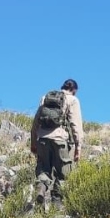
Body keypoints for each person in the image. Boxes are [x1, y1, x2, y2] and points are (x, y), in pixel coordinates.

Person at [30, 79, 84, 209]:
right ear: (74, 90)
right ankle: (57, 203)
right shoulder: (72, 100)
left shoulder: (45, 98)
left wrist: (33, 142)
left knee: (43, 169)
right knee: (64, 174)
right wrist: (78, 147)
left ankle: (41, 190)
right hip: (60, 140)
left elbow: (36, 121)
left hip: (42, 139)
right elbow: (76, 126)